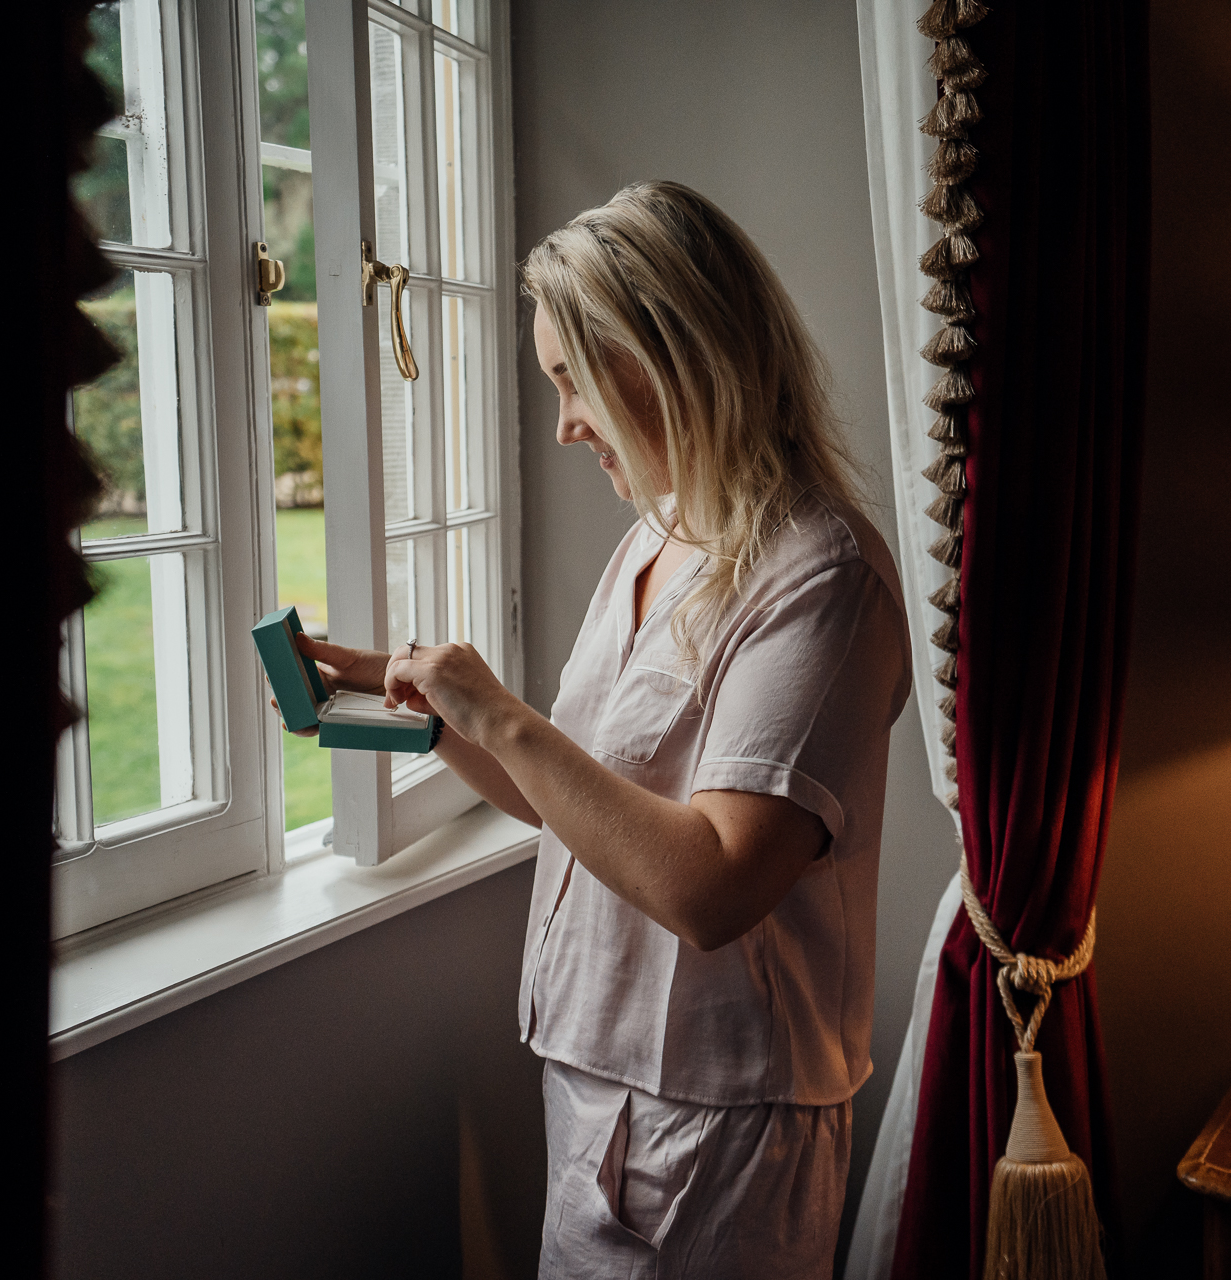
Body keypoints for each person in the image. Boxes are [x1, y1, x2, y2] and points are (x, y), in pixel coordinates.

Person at [293, 181, 910, 1278]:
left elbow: (712, 885)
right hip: (594, 1083)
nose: (569, 420)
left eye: (572, 378)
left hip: (721, 1120)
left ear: (666, 355)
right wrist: (433, 718)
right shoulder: (659, 539)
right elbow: (579, 803)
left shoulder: (824, 580)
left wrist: (499, 709)